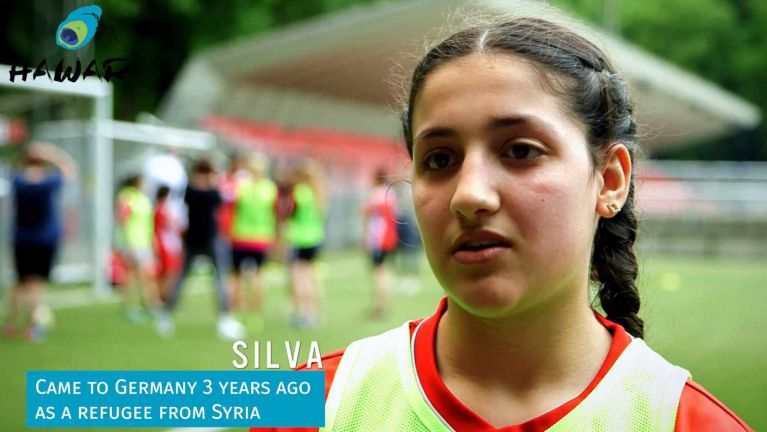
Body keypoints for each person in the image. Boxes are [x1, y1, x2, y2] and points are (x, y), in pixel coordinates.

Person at [253, 16, 752, 432]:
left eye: (520, 151)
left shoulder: (690, 421)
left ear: (610, 180)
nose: (469, 194)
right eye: (440, 159)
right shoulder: (305, 409)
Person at [156, 158, 245, 340]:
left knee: (219, 279)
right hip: (195, 241)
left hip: (210, 239)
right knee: (181, 278)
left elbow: (217, 200)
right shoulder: (192, 191)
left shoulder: (204, 192)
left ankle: (225, 318)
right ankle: (167, 312)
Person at [3, 142, 76, 341]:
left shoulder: (18, 181)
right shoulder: (49, 181)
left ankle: (10, 324)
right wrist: (50, 153)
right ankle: (33, 327)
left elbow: (12, 168)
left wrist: (27, 154)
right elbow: (69, 169)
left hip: (21, 238)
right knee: (36, 283)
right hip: (45, 239)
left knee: (19, 282)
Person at [229, 153, 278, 317]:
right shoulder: (270, 188)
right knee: (258, 274)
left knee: (236, 274)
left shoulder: (242, 186)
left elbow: (233, 208)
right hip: (261, 236)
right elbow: (275, 212)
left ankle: (237, 304)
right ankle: (256, 305)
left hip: (241, 234)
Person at [286, 159, 325, 329]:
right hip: (315, 237)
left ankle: (303, 312)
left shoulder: (299, 192)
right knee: (310, 276)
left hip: (299, 238)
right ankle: (313, 311)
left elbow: (289, 213)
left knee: (299, 276)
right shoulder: (317, 192)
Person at [115, 174, 158, 321]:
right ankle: (136, 306)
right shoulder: (127, 197)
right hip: (133, 241)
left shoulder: (143, 198)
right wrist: (127, 241)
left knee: (140, 274)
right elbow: (123, 219)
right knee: (135, 274)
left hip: (144, 241)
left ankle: (144, 304)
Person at [361, 169, 399, 318]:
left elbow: (366, 212)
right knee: (384, 269)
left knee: (378, 272)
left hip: (378, 238)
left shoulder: (376, 194)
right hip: (389, 236)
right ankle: (383, 303)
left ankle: (380, 304)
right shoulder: (391, 193)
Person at [153, 185, 182, 303]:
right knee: (167, 271)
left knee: (171, 270)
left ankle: (166, 295)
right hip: (164, 244)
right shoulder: (159, 209)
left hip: (171, 244)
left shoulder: (166, 209)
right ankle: (162, 296)